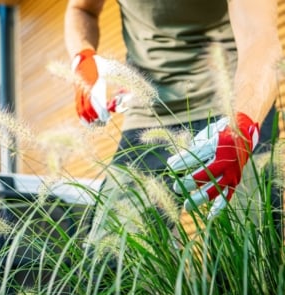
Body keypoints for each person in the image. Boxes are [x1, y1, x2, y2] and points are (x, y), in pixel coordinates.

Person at [64, 0, 282, 226]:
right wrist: (82, 58)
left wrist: (243, 124)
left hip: (235, 102)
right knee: (116, 248)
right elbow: (82, 8)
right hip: (149, 112)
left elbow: (260, 38)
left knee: (251, 239)